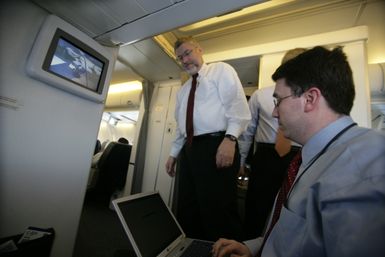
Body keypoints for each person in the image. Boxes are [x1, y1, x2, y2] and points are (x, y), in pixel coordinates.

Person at [212, 46, 385, 257]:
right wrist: (255, 248)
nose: (274, 112)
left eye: (279, 101)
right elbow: (298, 233)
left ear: (310, 99)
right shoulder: (311, 157)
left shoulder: (366, 165)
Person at [165, 36, 251, 241]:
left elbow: (238, 108)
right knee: (188, 207)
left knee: (218, 210)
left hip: (217, 145)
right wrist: (173, 154)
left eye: (187, 53)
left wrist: (230, 139)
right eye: (180, 58)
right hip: (190, 150)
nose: (185, 60)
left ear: (200, 50)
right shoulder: (184, 90)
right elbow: (182, 126)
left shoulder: (220, 70)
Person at [238, 48, 305, 239]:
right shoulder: (260, 95)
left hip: (299, 156)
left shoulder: (310, 96)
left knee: (291, 208)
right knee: (257, 207)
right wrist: (241, 161)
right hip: (266, 157)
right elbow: (247, 131)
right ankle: (247, 246)